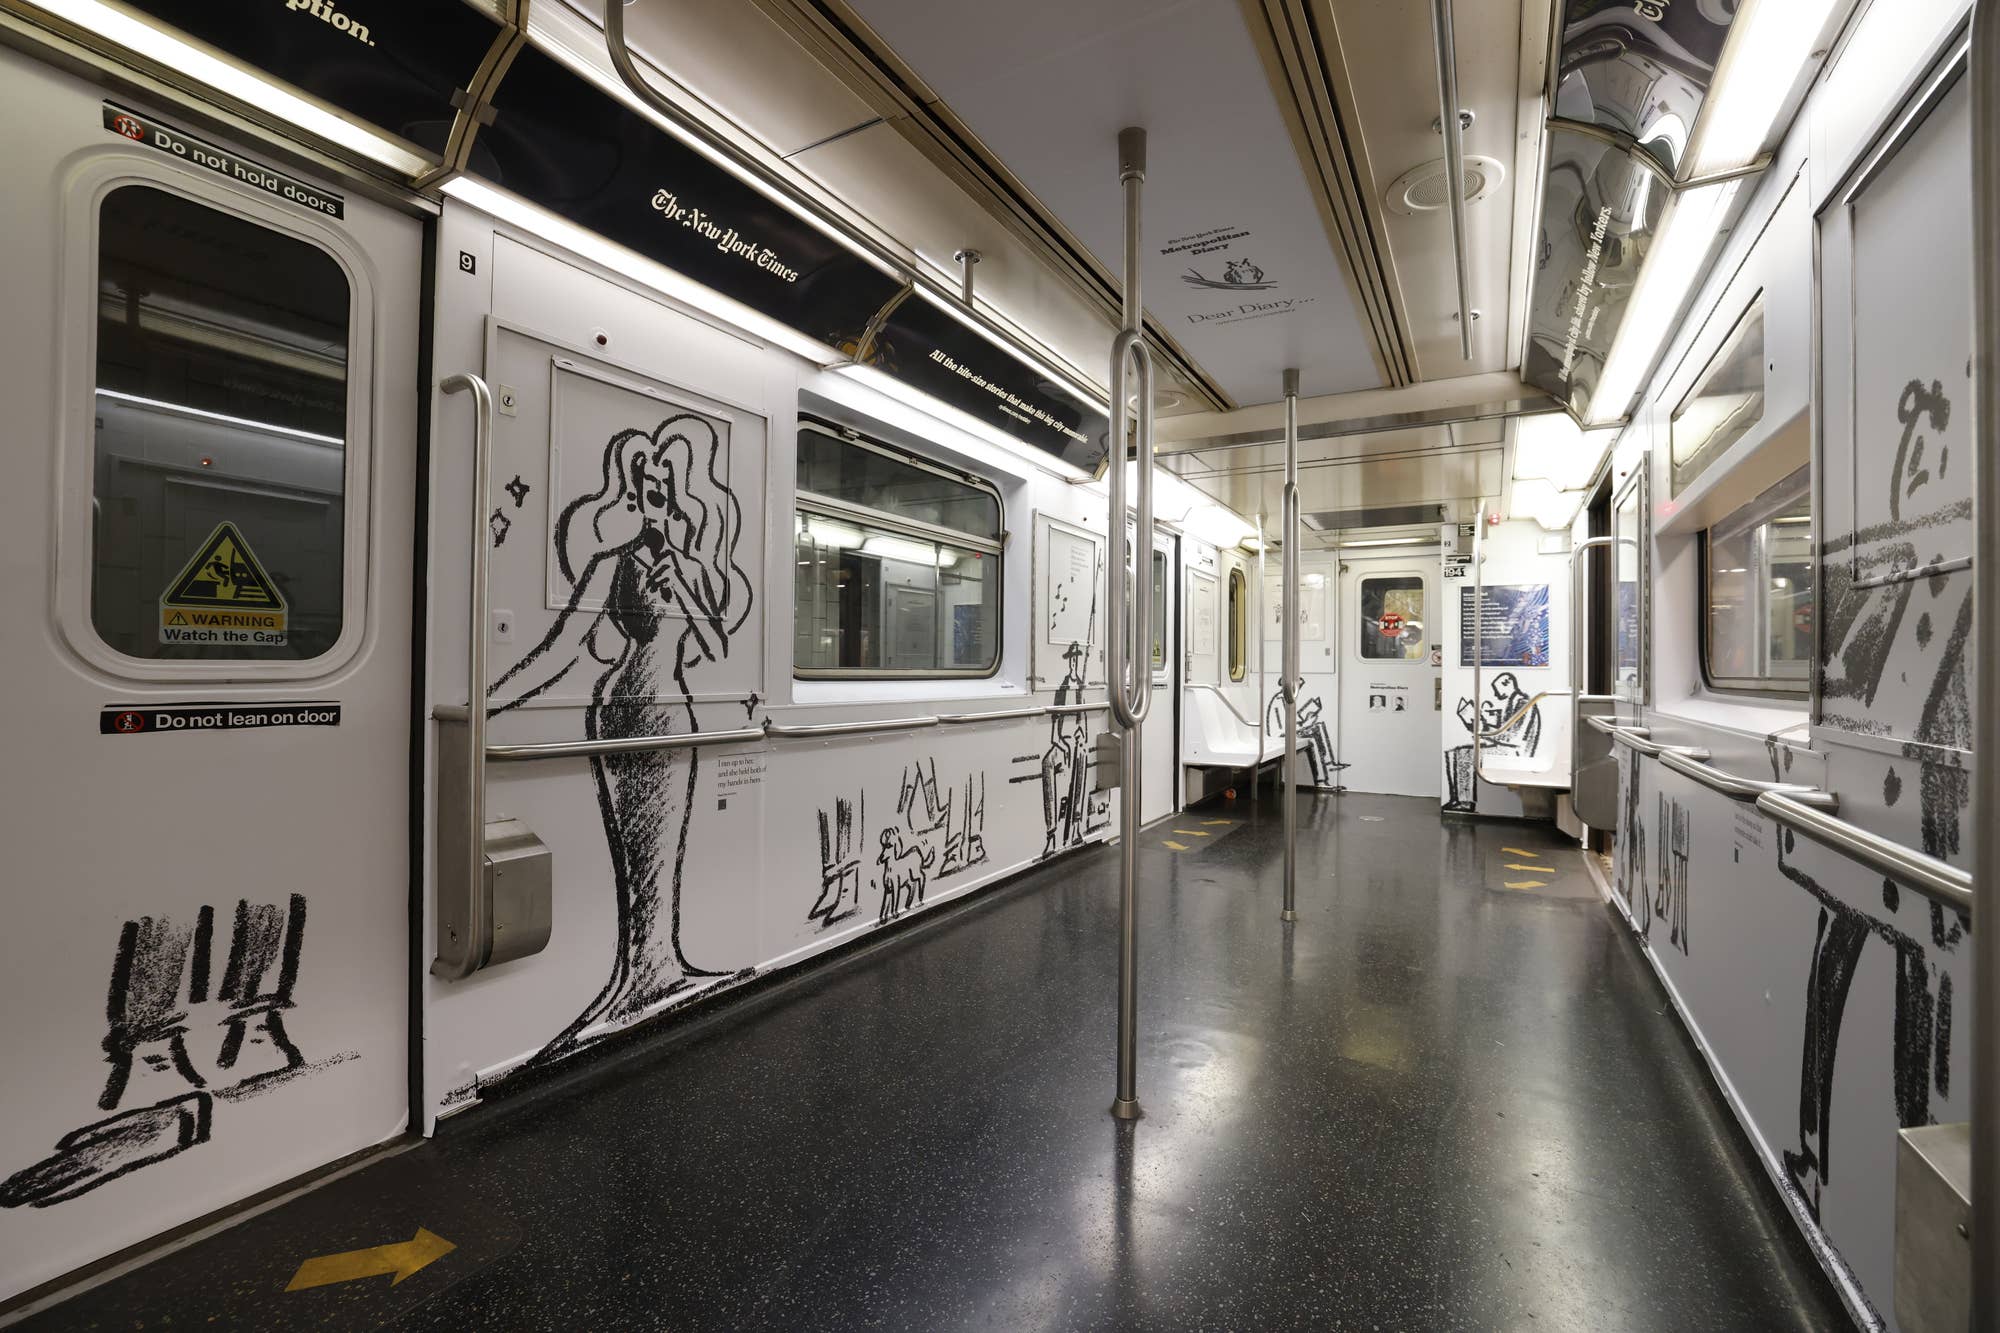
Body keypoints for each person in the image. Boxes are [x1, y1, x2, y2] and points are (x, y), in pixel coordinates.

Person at [488, 413, 753, 1059]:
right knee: (637, 854)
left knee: (665, 850)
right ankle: (636, 977)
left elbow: (719, 647)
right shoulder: (612, 564)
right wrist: (488, 706)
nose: (655, 494)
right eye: (646, 484)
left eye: (667, 484)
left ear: (681, 494)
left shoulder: (692, 570)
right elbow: (560, 650)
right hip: (626, 707)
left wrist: (683, 587)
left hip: (677, 711)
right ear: (635, 491)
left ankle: (661, 966)